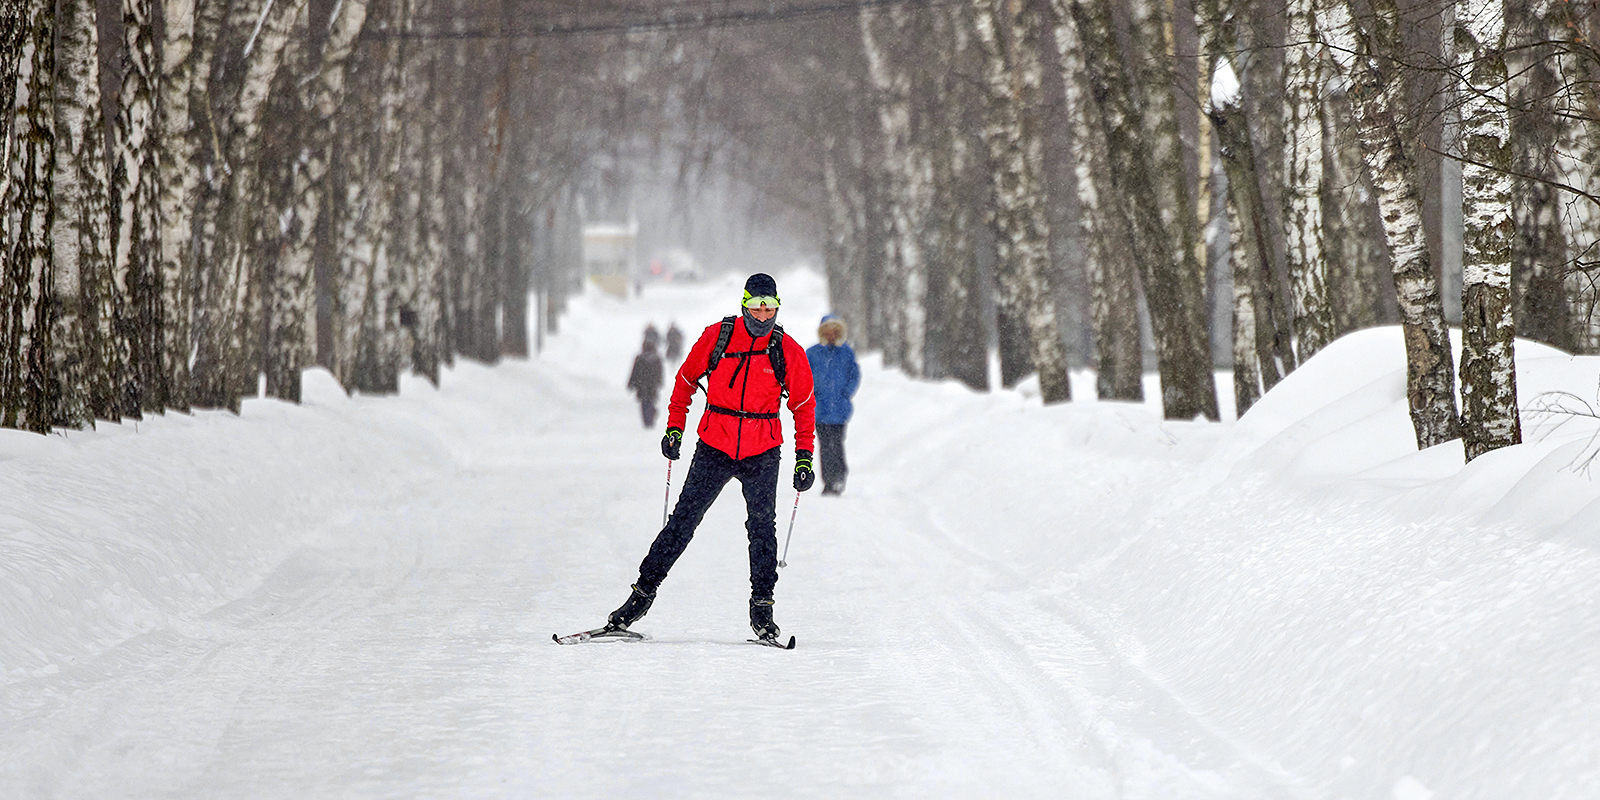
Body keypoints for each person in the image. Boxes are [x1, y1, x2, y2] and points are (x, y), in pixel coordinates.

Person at [605, 273, 816, 643]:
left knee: (763, 529)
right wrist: (674, 428)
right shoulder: (717, 337)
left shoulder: (787, 351)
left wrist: (804, 457)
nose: (763, 316)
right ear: (744, 304)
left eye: (770, 308)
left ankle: (763, 611)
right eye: (756, 307)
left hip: (762, 451)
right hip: (714, 446)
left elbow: (803, 406)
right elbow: (685, 381)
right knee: (682, 523)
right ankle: (637, 600)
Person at [806, 314, 860, 496]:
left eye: (834, 331)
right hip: (819, 410)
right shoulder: (812, 353)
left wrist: (846, 393)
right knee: (824, 445)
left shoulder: (846, 352)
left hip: (839, 410)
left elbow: (854, 374)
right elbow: (804, 378)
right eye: (827, 331)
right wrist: (813, 394)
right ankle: (828, 481)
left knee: (836, 443)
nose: (831, 334)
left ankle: (839, 477)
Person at [627, 335, 665, 428]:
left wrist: (631, 383)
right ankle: (651, 417)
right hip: (652, 385)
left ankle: (647, 421)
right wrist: (659, 381)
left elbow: (634, 371)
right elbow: (659, 372)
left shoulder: (640, 358)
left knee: (644, 403)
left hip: (642, 384)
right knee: (651, 402)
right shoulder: (656, 359)